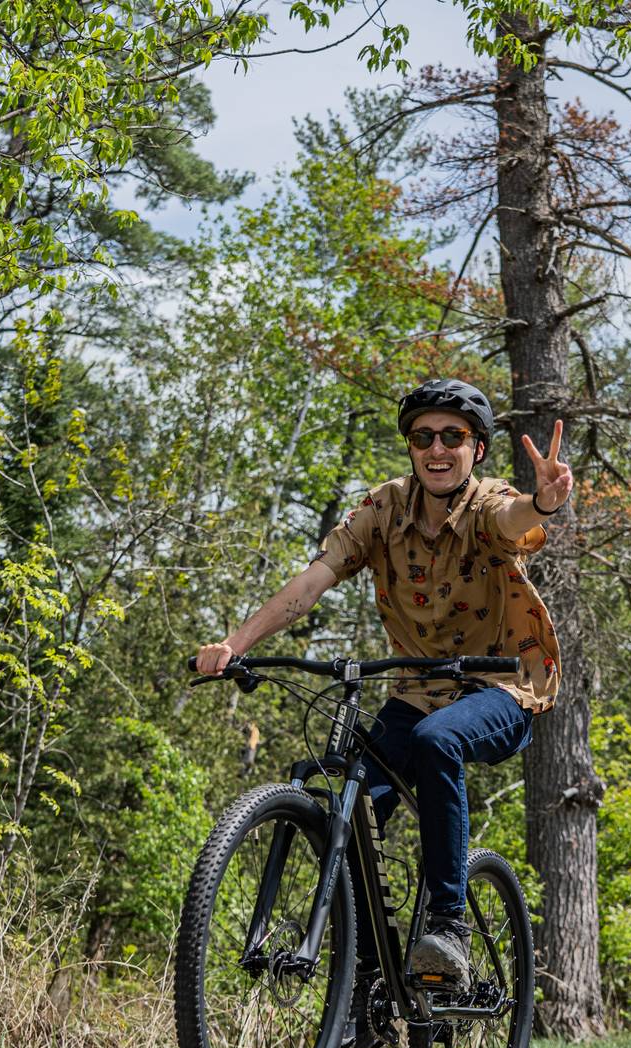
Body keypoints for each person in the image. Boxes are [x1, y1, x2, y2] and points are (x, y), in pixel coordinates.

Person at [194, 377, 571, 991]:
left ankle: (448, 927)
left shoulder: (486, 503)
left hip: (502, 687)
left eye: (454, 436)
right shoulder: (383, 509)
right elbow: (312, 582)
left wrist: (544, 502)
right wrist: (235, 646)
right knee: (349, 800)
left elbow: (513, 519)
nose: (437, 448)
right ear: (411, 448)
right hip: (414, 691)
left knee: (435, 742)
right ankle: (367, 981)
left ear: (477, 448)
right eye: (423, 437)